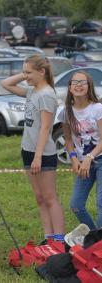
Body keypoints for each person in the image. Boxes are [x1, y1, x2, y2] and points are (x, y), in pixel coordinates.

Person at [1, 54, 65, 243]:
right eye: (24, 72)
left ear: (42, 72)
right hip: (27, 150)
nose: (26, 76)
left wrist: (38, 157)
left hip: (43, 153)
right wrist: (25, 75)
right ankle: (48, 238)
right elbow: (6, 84)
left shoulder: (46, 94)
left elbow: (46, 128)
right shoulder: (33, 91)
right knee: (39, 198)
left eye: (29, 72)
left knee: (50, 197)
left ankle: (60, 241)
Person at [58, 71, 102, 230]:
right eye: (75, 82)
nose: (78, 85)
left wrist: (89, 158)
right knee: (76, 205)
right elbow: (68, 140)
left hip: (98, 158)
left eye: (82, 82)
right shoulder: (65, 111)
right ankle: (95, 237)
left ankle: (99, 245)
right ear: (69, 88)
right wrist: (74, 159)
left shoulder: (97, 108)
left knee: (101, 204)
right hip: (83, 162)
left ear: (89, 86)